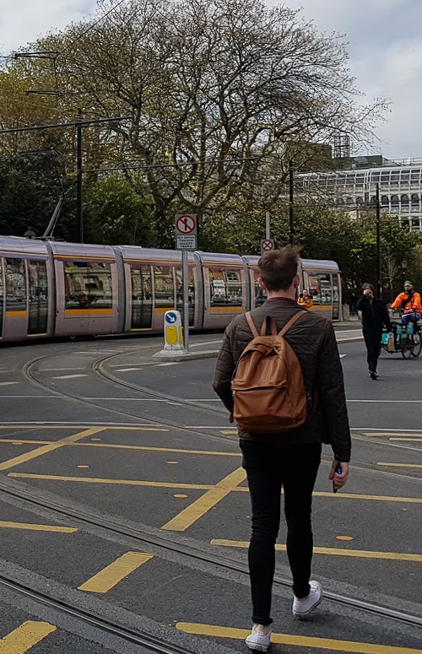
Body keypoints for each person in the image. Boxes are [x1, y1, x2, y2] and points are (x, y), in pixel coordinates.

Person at [211, 246, 351, 652]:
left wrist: (247, 414)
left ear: (259, 283)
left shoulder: (239, 326)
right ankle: (303, 596)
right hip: (303, 440)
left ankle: (260, 627)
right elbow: (332, 395)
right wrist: (342, 454)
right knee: (298, 518)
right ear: (297, 282)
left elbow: (221, 383)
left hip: (256, 442)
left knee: (262, 525)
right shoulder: (318, 328)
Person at [355, 283, 388, 379]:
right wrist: (363, 296)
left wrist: (389, 327)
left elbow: (385, 316)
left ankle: (374, 367)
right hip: (367, 328)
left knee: (377, 349)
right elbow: (358, 307)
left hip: (378, 328)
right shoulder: (363, 302)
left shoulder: (379, 303)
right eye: (365, 290)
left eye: (369, 290)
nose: (368, 292)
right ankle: (372, 369)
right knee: (370, 348)